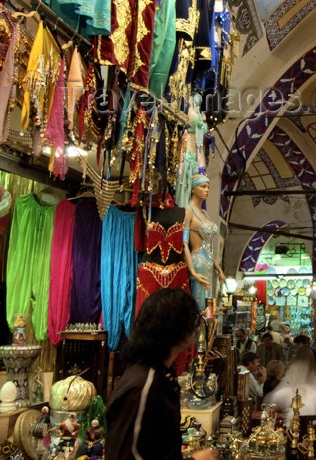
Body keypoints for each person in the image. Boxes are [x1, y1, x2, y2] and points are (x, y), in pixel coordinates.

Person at [105, 288, 216, 460]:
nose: (196, 329)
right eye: (193, 322)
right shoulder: (142, 386)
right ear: (178, 327)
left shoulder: (161, 376)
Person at [184, 174, 225, 310]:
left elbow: (208, 248)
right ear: (193, 189)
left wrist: (219, 269)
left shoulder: (205, 213)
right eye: (202, 186)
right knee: (200, 306)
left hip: (208, 263)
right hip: (197, 263)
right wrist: (192, 271)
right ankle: (197, 330)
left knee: (209, 308)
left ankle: (205, 330)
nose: (206, 190)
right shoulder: (188, 211)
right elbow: (184, 243)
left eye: (208, 187)